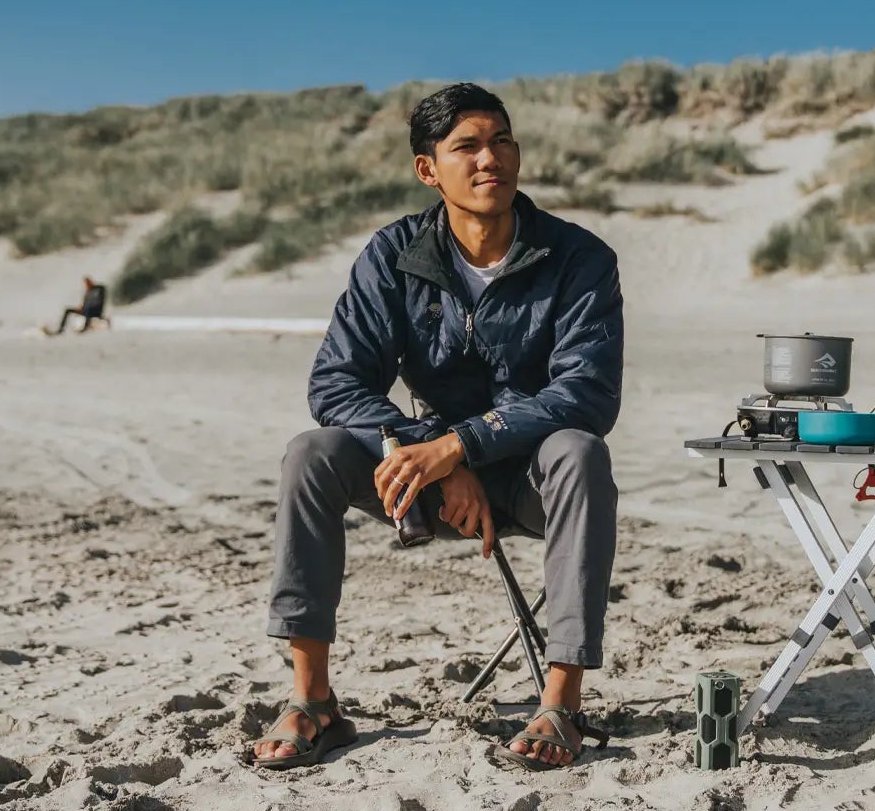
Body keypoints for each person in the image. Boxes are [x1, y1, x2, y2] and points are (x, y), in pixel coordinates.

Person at [249, 83, 624, 774]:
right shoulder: (396, 257)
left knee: (579, 450)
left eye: (503, 141)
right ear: (429, 170)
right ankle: (314, 702)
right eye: (468, 147)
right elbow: (336, 381)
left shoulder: (579, 259)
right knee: (311, 453)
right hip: (431, 482)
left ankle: (561, 705)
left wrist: (463, 445)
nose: (492, 160)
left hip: (530, 479)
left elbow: (587, 393)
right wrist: (436, 458)